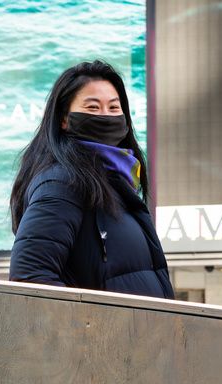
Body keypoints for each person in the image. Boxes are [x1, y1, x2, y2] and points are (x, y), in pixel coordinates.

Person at [9, 60, 174, 299]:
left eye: (114, 108)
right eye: (93, 108)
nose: (106, 116)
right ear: (64, 120)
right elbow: (29, 275)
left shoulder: (118, 185)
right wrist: (94, 332)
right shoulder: (62, 182)